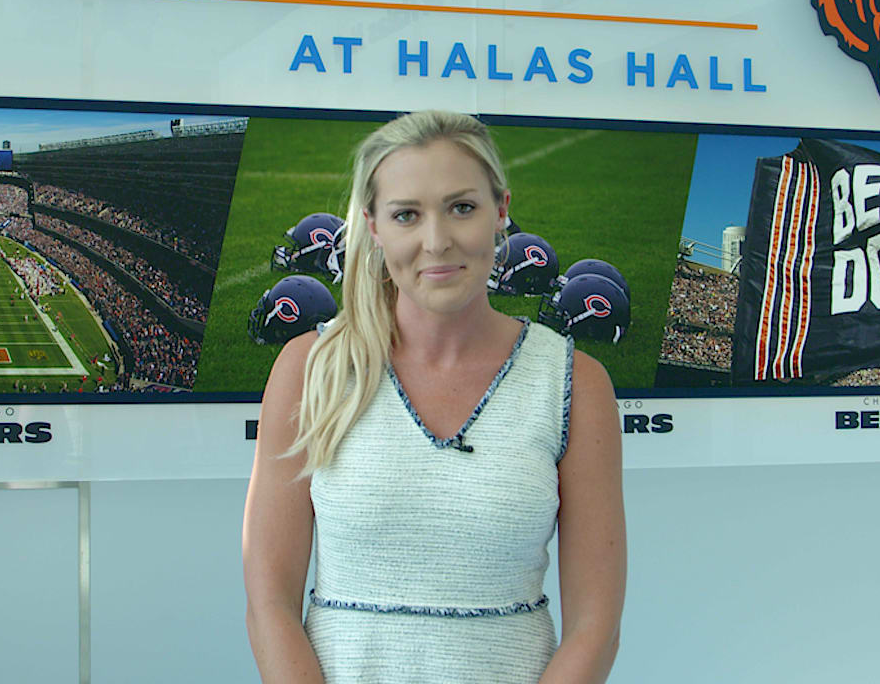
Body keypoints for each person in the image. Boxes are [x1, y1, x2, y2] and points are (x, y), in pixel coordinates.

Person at [242, 111, 625, 683]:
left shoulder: (575, 382)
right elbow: (268, 601)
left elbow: (596, 624)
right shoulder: (309, 367)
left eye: (461, 207)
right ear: (373, 226)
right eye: (407, 215)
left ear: (502, 212)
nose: (437, 240)